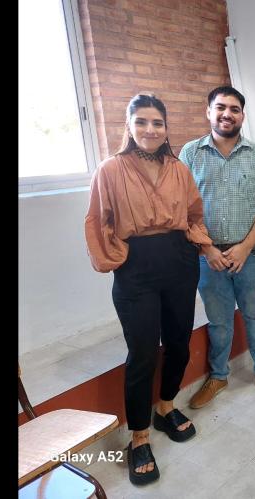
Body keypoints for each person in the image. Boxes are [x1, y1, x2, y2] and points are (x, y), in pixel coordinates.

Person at [84, 93, 211, 485]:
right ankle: (139, 437)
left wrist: (202, 247)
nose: (150, 129)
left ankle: (166, 406)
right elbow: (97, 220)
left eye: (157, 122)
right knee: (141, 352)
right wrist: (119, 256)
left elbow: (193, 215)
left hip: (179, 262)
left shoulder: (179, 169)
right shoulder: (110, 169)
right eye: (142, 122)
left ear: (166, 128)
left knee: (177, 343)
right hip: (136, 268)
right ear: (129, 126)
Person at [178, 86, 255, 409]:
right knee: (219, 319)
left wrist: (244, 247)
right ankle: (218, 375)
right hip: (206, 256)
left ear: (243, 115)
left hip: (249, 254)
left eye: (235, 109)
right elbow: (181, 207)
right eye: (221, 107)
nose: (227, 113)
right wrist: (207, 249)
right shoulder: (190, 154)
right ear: (208, 111)